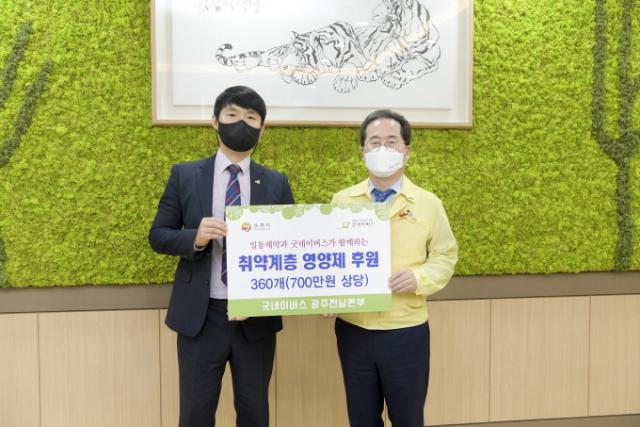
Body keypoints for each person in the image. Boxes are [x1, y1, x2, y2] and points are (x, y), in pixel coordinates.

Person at [149, 86, 294, 427]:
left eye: (251, 117)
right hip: (201, 317)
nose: (241, 123)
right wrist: (195, 237)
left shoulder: (276, 182)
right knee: (195, 414)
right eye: (232, 114)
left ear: (262, 128)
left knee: (255, 412)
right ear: (215, 121)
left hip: (255, 320)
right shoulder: (185, 175)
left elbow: (290, 246)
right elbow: (158, 235)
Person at [330, 109, 458, 427]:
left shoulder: (428, 203)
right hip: (354, 328)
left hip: (406, 330)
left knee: (408, 417)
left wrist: (418, 277)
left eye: (391, 141)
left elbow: (445, 255)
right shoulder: (342, 200)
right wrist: (327, 294)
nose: (383, 148)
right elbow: (329, 256)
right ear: (362, 150)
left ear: (406, 151)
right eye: (375, 142)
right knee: (362, 418)